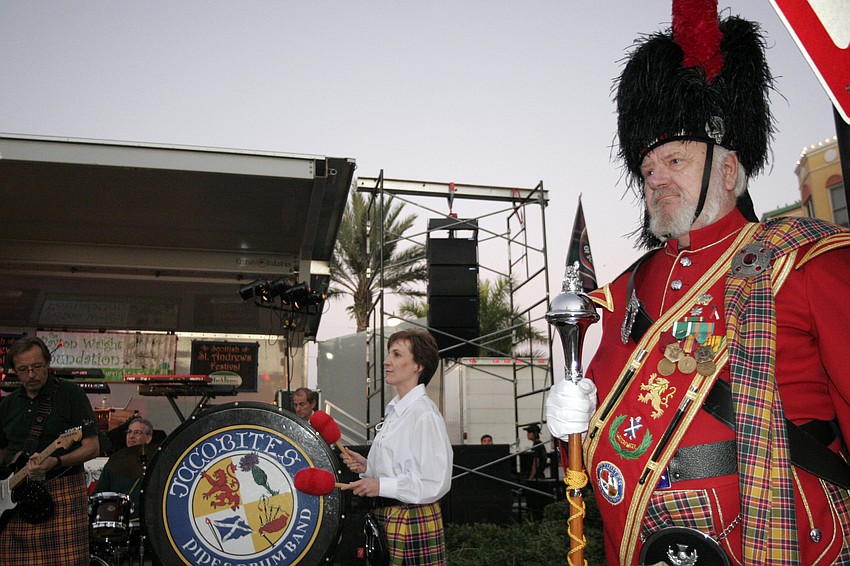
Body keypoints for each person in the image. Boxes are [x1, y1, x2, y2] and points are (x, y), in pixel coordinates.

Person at [545, 1, 850, 564]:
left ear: (728, 170)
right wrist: (571, 421)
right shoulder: (625, 290)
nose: (656, 178)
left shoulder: (808, 262)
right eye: (647, 169)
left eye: (676, 161)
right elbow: (608, 419)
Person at [341, 329, 452, 565]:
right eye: (389, 354)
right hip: (389, 517)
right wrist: (367, 466)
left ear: (418, 366)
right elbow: (399, 467)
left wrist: (380, 484)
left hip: (410, 519)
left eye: (397, 354)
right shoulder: (396, 411)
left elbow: (433, 481)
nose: (386, 361)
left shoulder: (424, 414)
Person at [0, 336, 100, 565]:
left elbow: (92, 447)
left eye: (37, 367)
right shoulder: (7, 404)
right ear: (14, 370)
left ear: (48, 363)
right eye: (23, 369)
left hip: (61, 492)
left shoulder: (70, 394)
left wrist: (56, 461)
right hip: (12, 496)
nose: (31, 374)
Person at [93, 416, 155, 517]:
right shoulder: (114, 462)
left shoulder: (155, 465)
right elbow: (98, 494)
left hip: (145, 520)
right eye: (129, 432)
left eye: (137, 432)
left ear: (148, 438)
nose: (131, 436)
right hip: (117, 519)